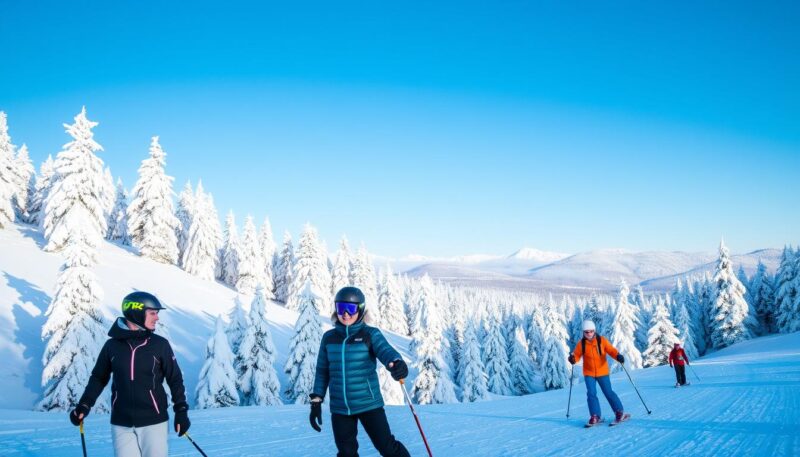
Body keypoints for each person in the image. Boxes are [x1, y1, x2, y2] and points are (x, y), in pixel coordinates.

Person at [69, 291, 190, 457]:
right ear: (136, 312)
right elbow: (98, 378)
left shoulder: (159, 345)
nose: (157, 318)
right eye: (152, 313)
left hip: (154, 421)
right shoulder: (112, 346)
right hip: (121, 423)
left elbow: (175, 379)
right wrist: (84, 405)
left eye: (157, 313)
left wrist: (181, 411)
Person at [310, 286, 411, 457]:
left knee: (387, 447)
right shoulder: (329, 338)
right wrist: (316, 400)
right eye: (341, 308)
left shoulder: (369, 334)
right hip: (341, 408)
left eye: (351, 308)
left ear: (361, 309)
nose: (346, 314)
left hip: (368, 403)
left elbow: (386, 351)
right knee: (346, 453)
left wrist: (396, 362)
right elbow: (322, 371)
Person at [568, 320, 629, 426]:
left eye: (591, 331)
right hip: (589, 373)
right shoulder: (581, 344)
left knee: (608, 392)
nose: (589, 334)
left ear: (594, 331)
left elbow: (611, 350)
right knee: (591, 394)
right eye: (586, 332)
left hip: (602, 372)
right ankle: (595, 416)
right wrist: (573, 358)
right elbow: (576, 355)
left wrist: (618, 356)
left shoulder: (602, 341)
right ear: (583, 332)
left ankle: (619, 412)